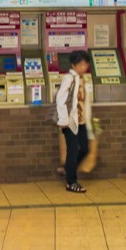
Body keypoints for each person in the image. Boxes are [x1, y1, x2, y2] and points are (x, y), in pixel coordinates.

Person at [55, 51, 94, 194]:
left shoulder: (83, 79)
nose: (84, 67)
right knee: (72, 151)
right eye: (81, 64)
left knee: (84, 148)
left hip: (81, 121)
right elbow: (60, 99)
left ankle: (68, 170)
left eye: (86, 64)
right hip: (70, 121)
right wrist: (64, 120)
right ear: (73, 65)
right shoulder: (69, 78)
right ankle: (71, 182)